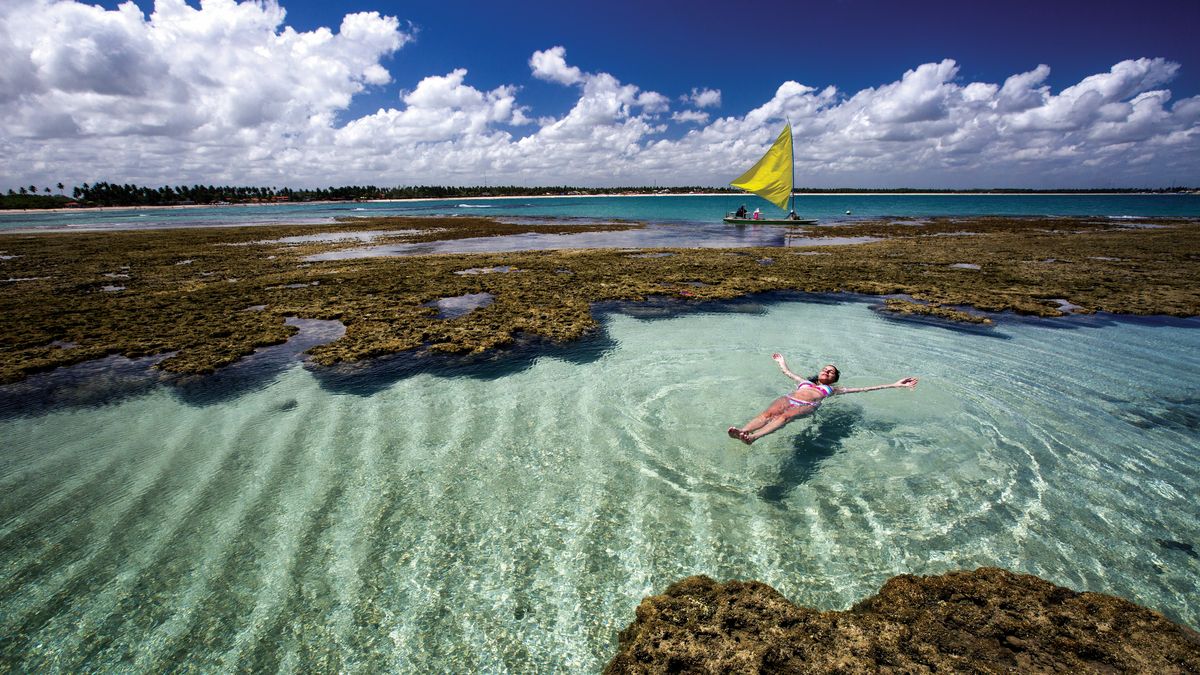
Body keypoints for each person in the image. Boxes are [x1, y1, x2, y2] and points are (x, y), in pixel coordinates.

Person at [727, 353, 918, 444]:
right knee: (767, 413)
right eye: (825, 368)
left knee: (784, 418)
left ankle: (753, 437)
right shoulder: (804, 382)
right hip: (788, 398)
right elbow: (787, 372)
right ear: (819, 374)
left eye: (831, 371)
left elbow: (864, 389)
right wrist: (781, 361)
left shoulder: (832, 390)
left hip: (807, 404)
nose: (827, 370)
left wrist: (895, 384)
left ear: (834, 378)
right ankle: (742, 431)